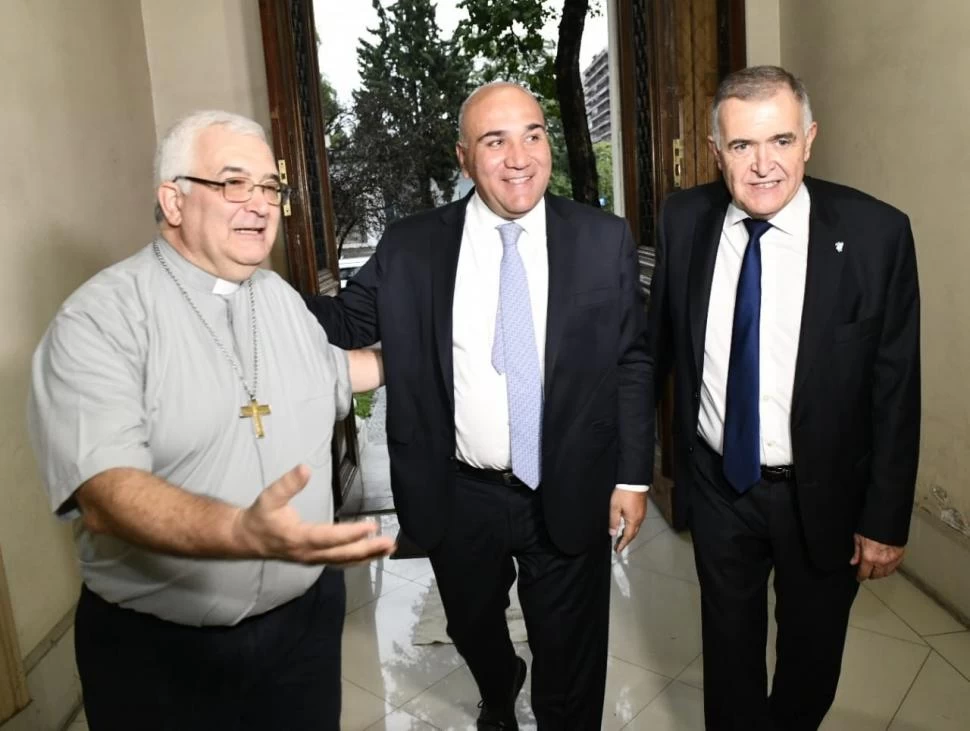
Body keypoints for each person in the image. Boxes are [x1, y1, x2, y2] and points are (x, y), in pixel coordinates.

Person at [27, 110, 396, 731]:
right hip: (161, 656)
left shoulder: (278, 297)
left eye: (270, 188)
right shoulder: (100, 319)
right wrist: (240, 532)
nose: (260, 205)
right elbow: (105, 492)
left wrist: (437, 347)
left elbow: (339, 372)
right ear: (173, 200)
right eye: (233, 184)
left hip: (303, 632)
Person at [303, 81, 650, 729]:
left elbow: (631, 358)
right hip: (457, 490)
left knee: (570, 656)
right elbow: (345, 321)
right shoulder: (413, 246)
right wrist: (247, 287)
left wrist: (632, 474)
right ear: (465, 159)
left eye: (533, 134)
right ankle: (499, 681)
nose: (519, 156)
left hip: (567, 481)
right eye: (496, 140)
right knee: (471, 622)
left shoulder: (601, 239)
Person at [645, 65, 920, 730]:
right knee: (729, 653)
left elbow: (896, 385)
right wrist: (631, 467)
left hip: (823, 493)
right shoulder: (684, 220)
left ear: (810, 140)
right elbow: (653, 354)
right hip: (719, 485)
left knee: (811, 657)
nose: (763, 164)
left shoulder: (877, 234)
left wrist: (885, 518)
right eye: (741, 146)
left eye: (781, 141)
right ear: (716, 152)